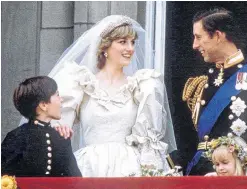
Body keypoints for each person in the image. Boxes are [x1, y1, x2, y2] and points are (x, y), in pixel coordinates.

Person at [47, 15, 178, 177]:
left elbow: (148, 142)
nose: (130, 48)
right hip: (91, 168)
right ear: (105, 47)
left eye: (132, 42)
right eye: (122, 42)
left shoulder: (141, 86)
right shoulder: (81, 83)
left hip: (131, 168)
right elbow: (59, 132)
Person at [181, 8, 247, 175]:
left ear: (218, 36)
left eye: (199, 37)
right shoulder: (202, 82)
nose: (194, 45)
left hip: (241, 170)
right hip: (203, 171)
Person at [1, 76, 82, 177]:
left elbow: (75, 180)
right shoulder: (16, 137)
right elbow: (5, 179)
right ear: (43, 105)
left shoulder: (61, 137)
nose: (61, 100)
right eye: (57, 95)